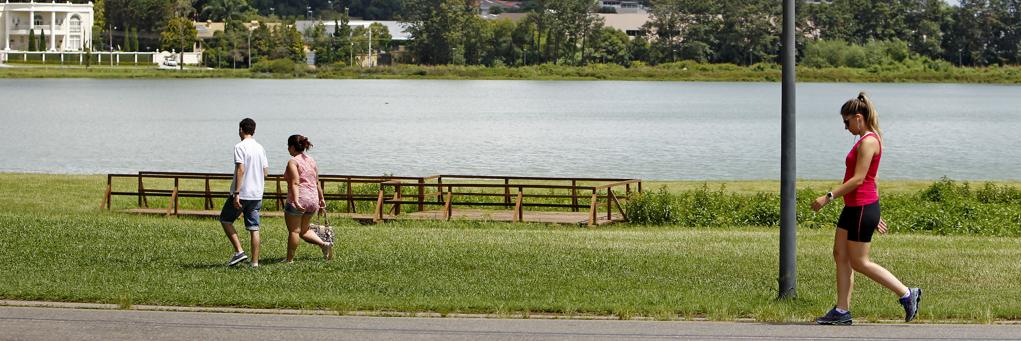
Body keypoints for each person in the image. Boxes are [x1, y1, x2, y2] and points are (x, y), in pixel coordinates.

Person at [811, 92, 921, 325]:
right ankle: (842, 311)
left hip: (861, 208)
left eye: (847, 121)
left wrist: (827, 197)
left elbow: (860, 179)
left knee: (860, 262)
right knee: (840, 254)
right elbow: (875, 178)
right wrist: (875, 212)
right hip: (856, 208)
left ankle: (907, 294)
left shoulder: (869, 141)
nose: (845, 127)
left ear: (859, 118)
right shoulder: (864, 140)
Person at [219, 118, 269, 268]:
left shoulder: (240, 147)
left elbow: (240, 169)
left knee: (225, 220)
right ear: (253, 130)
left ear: (241, 129)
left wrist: (236, 193)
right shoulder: (260, 148)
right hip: (257, 194)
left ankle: (239, 251)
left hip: (243, 193)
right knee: (254, 228)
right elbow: (265, 172)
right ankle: (254, 263)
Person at [283, 134, 332, 263]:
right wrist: (321, 200)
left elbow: (295, 182)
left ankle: (289, 260)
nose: (288, 149)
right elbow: (317, 182)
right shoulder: (311, 160)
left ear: (292, 147)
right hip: (313, 199)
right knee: (304, 231)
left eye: (288, 146)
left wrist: (296, 200)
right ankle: (324, 244)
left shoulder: (293, 162)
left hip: (300, 198)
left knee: (294, 231)